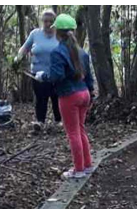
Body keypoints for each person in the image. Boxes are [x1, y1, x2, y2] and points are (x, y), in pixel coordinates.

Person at [34, 14, 95, 180]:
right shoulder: (82, 52)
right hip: (84, 94)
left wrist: (42, 76)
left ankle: (79, 170)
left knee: (73, 133)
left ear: (57, 32)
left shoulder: (57, 52)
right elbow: (89, 77)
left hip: (69, 96)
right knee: (81, 130)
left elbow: (56, 76)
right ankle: (87, 165)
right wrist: (91, 92)